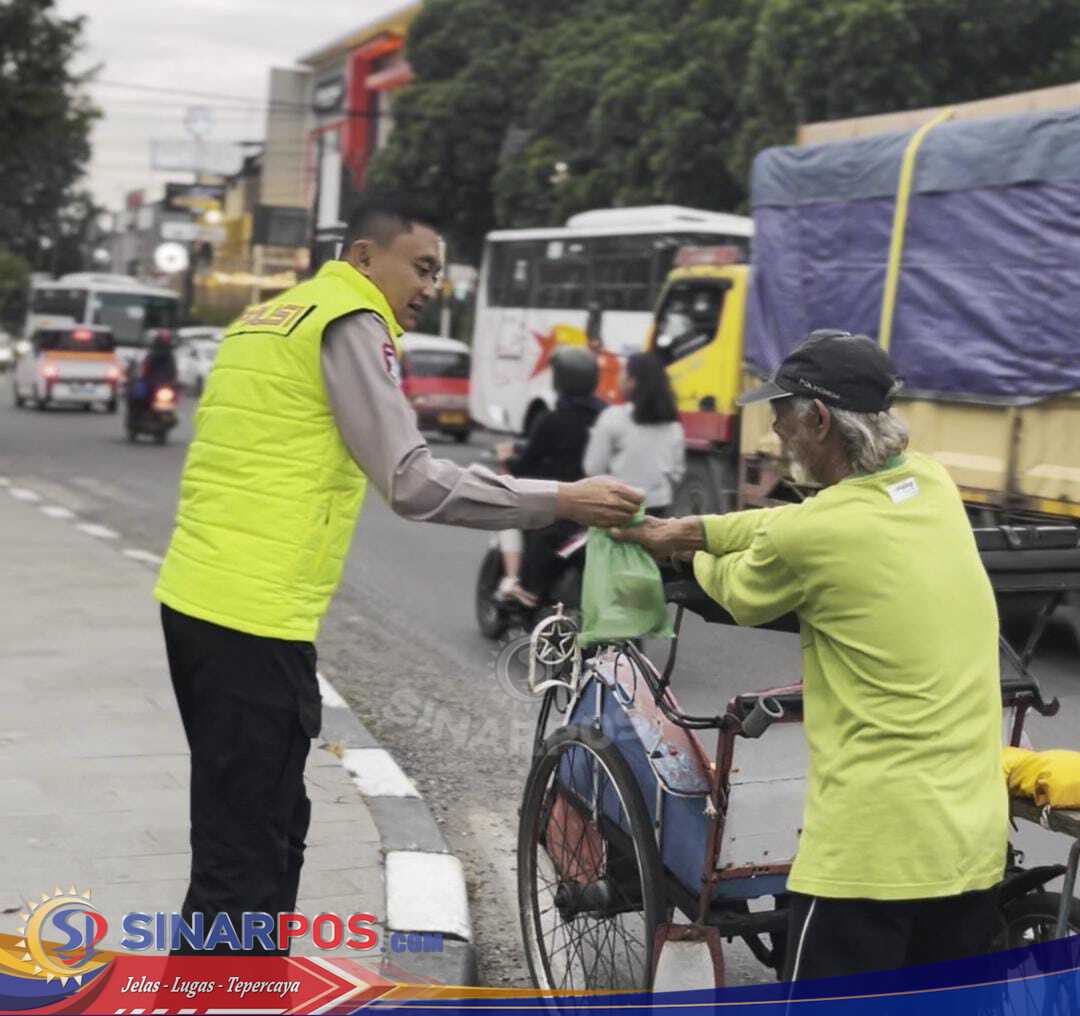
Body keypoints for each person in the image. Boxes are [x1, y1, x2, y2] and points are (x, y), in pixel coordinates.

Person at [153, 192, 643, 955]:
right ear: (362, 257)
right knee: (248, 858)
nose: (429, 287)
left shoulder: (269, 316)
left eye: (439, 274)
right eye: (419, 267)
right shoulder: (351, 320)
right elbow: (412, 482)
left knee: (251, 830)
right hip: (254, 617)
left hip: (197, 600)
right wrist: (561, 498)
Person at [612, 330, 1006, 980]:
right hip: (971, 847)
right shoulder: (929, 483)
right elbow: (789, 524)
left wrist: (684, 551)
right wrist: (697, 527)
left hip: (871, 860)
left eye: (782, 412)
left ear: (819, 419)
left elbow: (741, 587)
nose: (773, 428)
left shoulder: (816, 534)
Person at [496, 346, 603, 607]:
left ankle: (522, 591)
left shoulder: (552, 420)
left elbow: (525, 467)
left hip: (555, 504)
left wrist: (506, 459)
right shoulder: (605, 417)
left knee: (505, 516)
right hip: (597, 506)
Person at [584, 352, 685, 516]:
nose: (619, 377)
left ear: (632, 381)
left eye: (623, 372)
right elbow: (676, 473)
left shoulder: (613, 417)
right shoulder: (673, 425)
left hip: (618, 507)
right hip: (658, 507)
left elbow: (593, 468)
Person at [585, 301, 623, 404]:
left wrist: (594, 342)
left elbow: (593, 331)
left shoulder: (595, 319)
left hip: (594, 342)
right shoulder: (593, 319)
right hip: (594, 343)